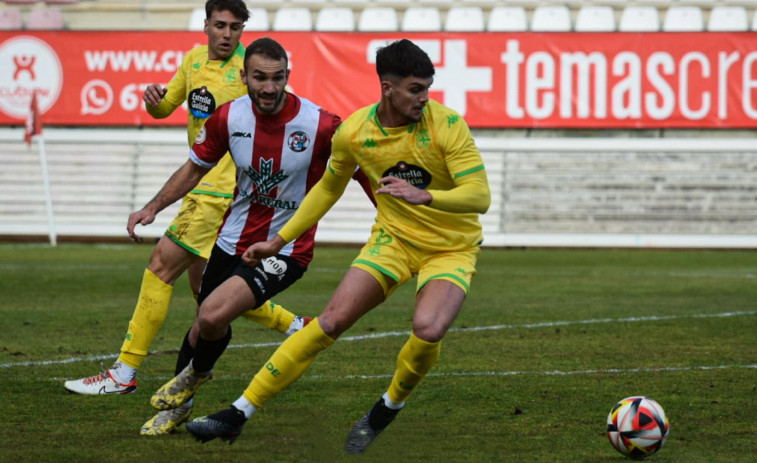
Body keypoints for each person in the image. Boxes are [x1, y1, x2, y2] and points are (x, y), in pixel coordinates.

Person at [178, 39, 492, 453]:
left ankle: (386, 408)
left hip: (451, 247)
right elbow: (328, 188)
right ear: (388, 88)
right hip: (393, 241)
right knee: (329, 323)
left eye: (426, 88)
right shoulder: (356, 132)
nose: (424, 98)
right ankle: (238, 413)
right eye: (415, 89)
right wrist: (278, 240)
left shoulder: (447, 125)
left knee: (428, 328)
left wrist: (427, 196)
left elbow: (480, 196)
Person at [63, 0, 305, 411]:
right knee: (207, 293)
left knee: (161, 265)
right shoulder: (194, 61)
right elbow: (163, 109)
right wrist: (153, 98)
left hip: (220, 194)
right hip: (204, 190)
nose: (228, 34)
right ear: (206, 25)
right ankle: (296, 326)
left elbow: (281, 113)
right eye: (220, 25)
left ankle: (124, 372)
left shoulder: (252, 73)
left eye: (235, 27)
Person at [133, 36, 374, 437]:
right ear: (244, 75)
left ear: (287, 77)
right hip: (232, 241)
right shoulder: (228, 118)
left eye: (277, 78)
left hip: (287, 249)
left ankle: (193, 378)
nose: (268, 87)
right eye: (259, 77)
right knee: (202, 327)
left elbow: (364, 169)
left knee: (212, 314)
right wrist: (152, 207)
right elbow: (194, 169)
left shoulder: (321, 124)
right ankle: (179, 409)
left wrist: (395, 217)